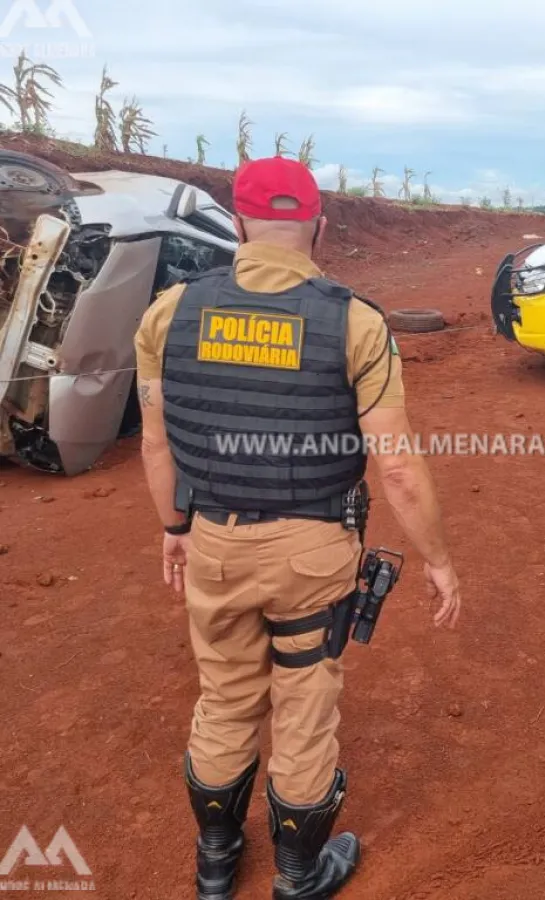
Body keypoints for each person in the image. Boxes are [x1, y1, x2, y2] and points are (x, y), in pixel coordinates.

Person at [133, 156, 461, 900]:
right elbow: (399, 466)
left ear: (239, 224)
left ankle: (216, 867)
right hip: (313, 550)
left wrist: (173, 526)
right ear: (319, 225)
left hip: (213, 537)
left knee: (224, 697)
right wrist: (438, 560)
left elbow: (157, 444)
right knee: (304, 705)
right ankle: (297, 873)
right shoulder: (353, 320)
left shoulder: (168, 313)